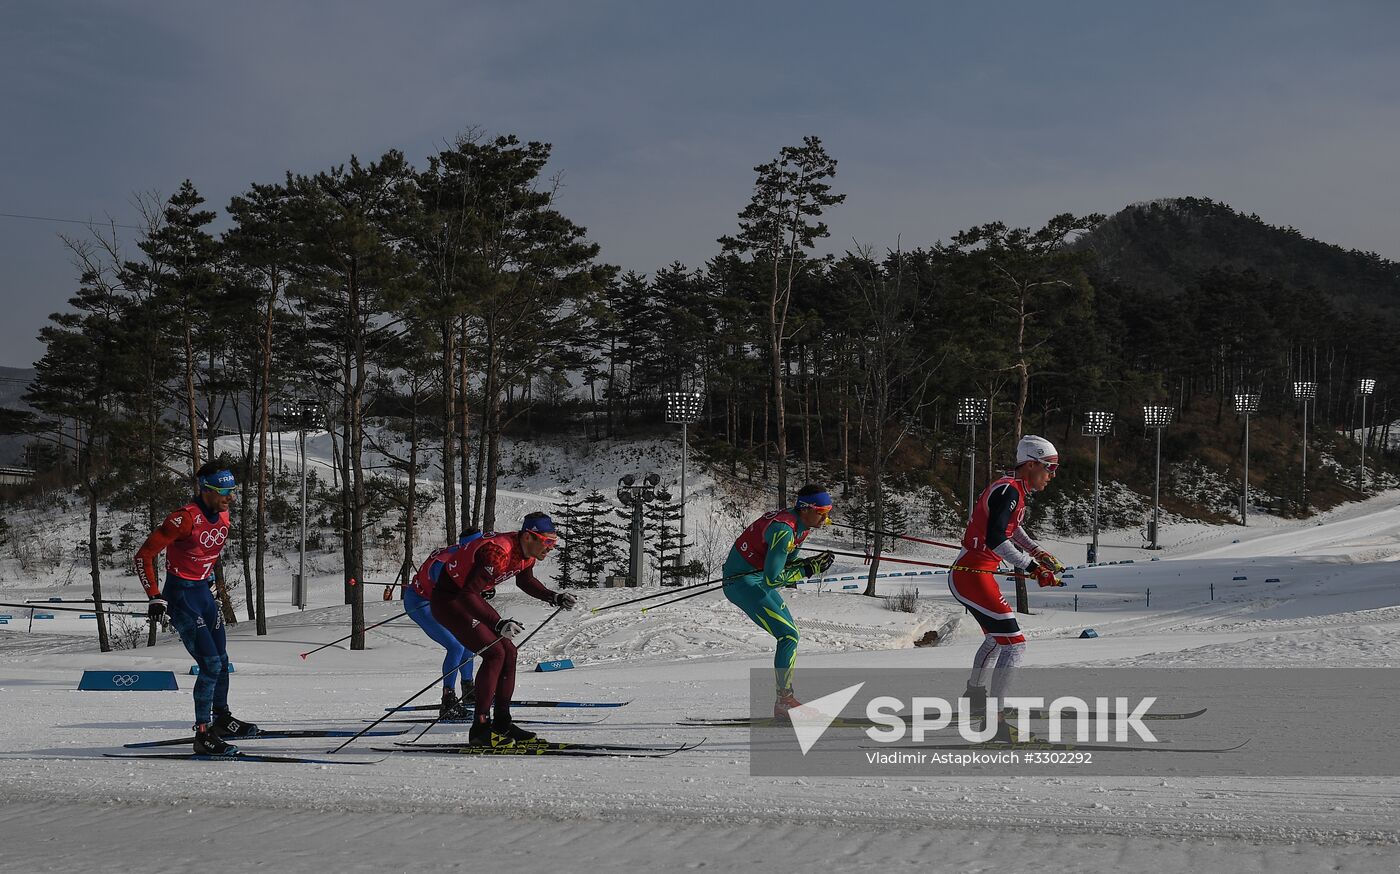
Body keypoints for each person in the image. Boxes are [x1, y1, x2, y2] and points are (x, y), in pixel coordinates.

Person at [950, 434, 1066, 741]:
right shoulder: (1008, 490)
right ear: (1031, 464)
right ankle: (995, 723)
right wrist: (1032, 567)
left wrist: (1038, 552)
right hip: (971, 575)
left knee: (997, 640)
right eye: (1049, 468)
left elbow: (1012, 530)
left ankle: (974, 695)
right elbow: (996, 539)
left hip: (977, 574)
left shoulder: (1013, 490)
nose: (1052, 476)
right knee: (1015, 644)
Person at [134, 461, 254, 756]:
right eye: (223, 491)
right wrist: (154, 595)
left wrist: (209, 576)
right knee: (210, 664)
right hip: (182, 597)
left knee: (222, 661)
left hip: (202, 593)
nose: (230, 497)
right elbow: (144, 555)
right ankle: (203, 734)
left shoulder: (223, 513)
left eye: (233, 490)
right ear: (205, 490)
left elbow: (207, 551)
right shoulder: (183, 518)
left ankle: (222, 719)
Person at [430, 512, 576, 747]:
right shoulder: (497, 552)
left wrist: (554, 597)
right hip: (450, 602)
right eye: (547, 542)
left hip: (468, 600)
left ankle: (502, 723)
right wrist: (497, 622)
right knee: (495, 653)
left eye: (554, 542)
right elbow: (467, 594)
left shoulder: (526, 553)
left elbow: (524, 581)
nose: (550, 548)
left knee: (509, 652)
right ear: (529, 536)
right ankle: (480, 728)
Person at [723, 484, 836, 719]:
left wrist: (811, 563)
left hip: (754, 579)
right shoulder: (785, 530)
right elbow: (773, 577)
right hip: (743, 583)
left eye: (828, 511)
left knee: (790, 636)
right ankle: (784, 702)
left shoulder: (801, 526)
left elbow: (784, 565)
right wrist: (808, 570)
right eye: (822, 512)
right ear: (805, 509)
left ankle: (784, 701)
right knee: (788, 636)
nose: (827, 518)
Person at [407, 529, 486, 720]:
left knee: (468, 641)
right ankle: (448, 700)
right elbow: (444, 591)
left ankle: (468, 690)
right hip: (421, 603)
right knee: (455, 645)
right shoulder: (443, 563)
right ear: (468, 547)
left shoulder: (464, 555)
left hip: (438, 601)